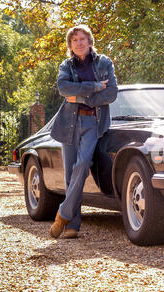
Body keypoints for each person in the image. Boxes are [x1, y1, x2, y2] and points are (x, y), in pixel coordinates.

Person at [49, 24, 117, 239]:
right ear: (70, 45)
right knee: (71, 174)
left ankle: (63, 213)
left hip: (92, 123)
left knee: (82, 165)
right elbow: (63, 89)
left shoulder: (104, 62)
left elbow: (112, 93)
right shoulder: (66, 65)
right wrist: (96, 87)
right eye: (74, 40)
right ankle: (72, 225)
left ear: (89, 41)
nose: (78, 43)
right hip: (68, 122)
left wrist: (80, 95)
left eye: (82, 39)